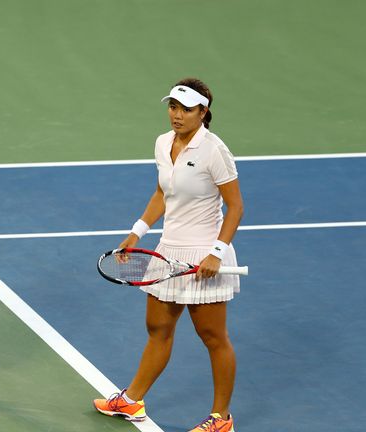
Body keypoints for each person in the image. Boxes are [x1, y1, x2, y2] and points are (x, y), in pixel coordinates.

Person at [92, 78, 244, 432]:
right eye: (173, 107)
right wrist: (136, 233)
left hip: (204, 255)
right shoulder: (163, 143)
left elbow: (235, 207)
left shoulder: (215, 150)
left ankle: (222, 419)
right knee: (158, 329)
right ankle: (132, 400)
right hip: (168, 252)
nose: (177, 115)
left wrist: (216, 253)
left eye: (186, 109)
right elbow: (162, 193)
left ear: (203, 112)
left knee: (213, 337)